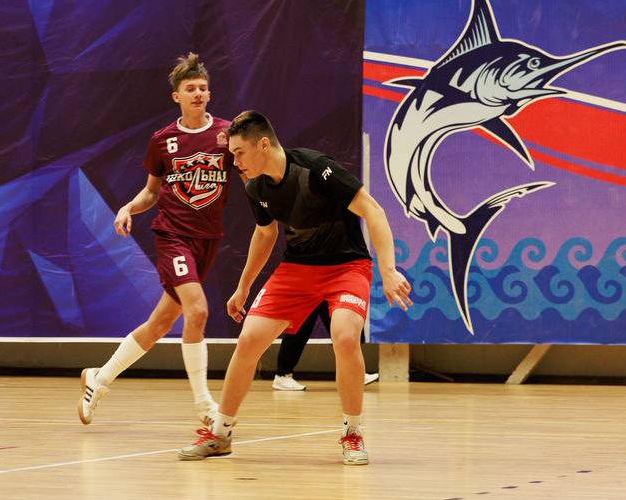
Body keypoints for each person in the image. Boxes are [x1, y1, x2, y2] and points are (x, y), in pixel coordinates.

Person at [178, 111, 412, 465]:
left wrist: (388, 269)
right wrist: (243, 287)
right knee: (249, 339)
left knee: (345, 336)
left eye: (239, 153)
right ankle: (221, 434)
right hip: (297, 270)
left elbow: (373, 210)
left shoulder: (317, 169)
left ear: (263, 144)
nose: (235, 162)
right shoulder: (255, 186)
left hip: (346, 266)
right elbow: (265, 234)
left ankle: (352, 433)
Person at [78, 53, 236, 425]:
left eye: (203, 88)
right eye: (190, 89)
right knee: (198, 311)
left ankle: (99, 378)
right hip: (172, 235)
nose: (198, 94)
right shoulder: (163, 140)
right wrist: (128, 208)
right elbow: (151, 191)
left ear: (210, 94)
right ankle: (204, 406)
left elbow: (249, 172)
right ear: (176, 97)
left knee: (161, 323)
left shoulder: (227, 135)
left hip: (207, 239)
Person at [272, 302, 380, 391]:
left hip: (326, 285)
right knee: (302, 324)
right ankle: (282, 374)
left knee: (338, 321)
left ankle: (353, 374)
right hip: (307, 287)